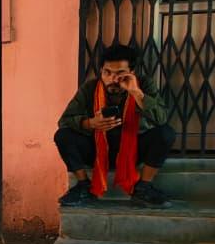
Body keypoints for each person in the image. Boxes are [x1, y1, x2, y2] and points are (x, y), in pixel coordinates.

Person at [54, 44, 176, 208]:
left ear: (131, 72)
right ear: (101, 71)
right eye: (107, 72)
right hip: (97, 150)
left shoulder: (144, 85)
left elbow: (161, 119)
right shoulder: (90, 87)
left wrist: (136, 93)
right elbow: (65, 120)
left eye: (120, 73)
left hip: (134, 149)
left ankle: (143, 187)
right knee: (63, 135)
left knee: (165, 134)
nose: (112, 79)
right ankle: (83, 186)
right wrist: (90, 123)